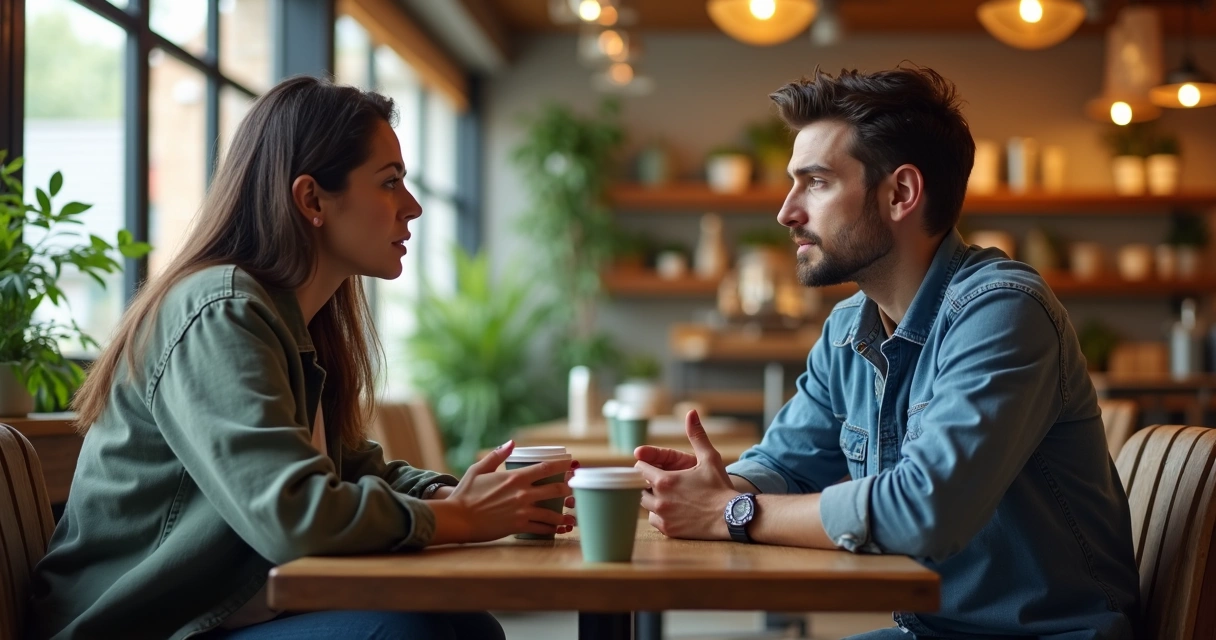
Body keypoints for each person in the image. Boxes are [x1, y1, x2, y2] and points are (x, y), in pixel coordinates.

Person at [29, 75, 575, 640]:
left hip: (222, 614)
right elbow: (291, 515)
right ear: (312, 199)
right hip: (142, 628)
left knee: (462, 628)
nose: (411, 207)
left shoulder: (293, 320)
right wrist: (462, 517)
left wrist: (447, 495)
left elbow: (348, 470)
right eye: (389, 182)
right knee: (418, 635)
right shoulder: (220, 313)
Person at [634, 66, 1140, 640]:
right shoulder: (848, 328)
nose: (786, 212)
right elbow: (787, 465)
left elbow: (924, 510)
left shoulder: (1004, 311)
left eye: (816, 182)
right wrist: (718, 487)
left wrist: (731, 513)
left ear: (900, 194)